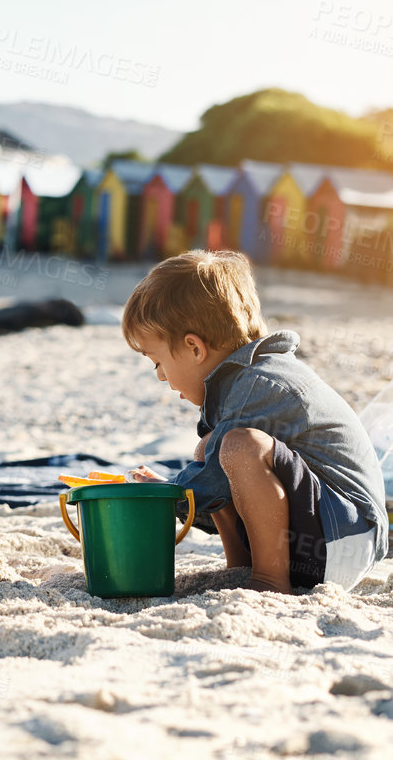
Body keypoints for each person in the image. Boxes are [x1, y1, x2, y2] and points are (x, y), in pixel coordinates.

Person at [123, 250, 387, 593]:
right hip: (321, 534)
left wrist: (167, 496)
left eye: (157, 362)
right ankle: (242, 568)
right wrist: (178, 492)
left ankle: (269, 581)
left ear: (194, 348)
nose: (160, 376)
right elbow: (216, 474)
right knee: (211, 447)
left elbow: (217, 478)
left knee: (236, 447)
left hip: (344, 536)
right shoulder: (239, 382)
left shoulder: (261, 384)